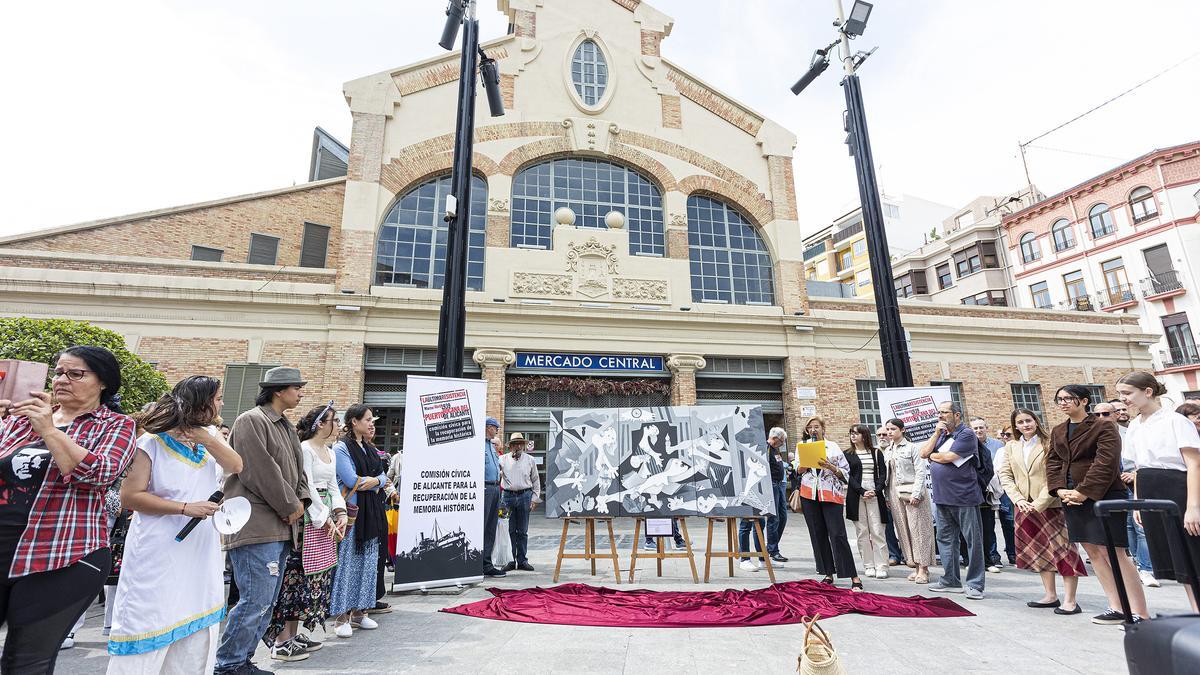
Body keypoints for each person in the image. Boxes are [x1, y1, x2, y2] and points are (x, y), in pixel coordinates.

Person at [0, 346, 136, 672]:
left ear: (103, 382)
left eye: (76, 374)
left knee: (25, 664)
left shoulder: (116, 426)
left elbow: (97, 475)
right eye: (59, 372)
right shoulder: (19, 420)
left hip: (65, 555)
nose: (63, 380)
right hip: (5, 547)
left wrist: (49, 430)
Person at [107, 376, 244, 672]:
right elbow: (130, 496)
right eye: (218, 398)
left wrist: (208, 438)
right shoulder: (150, 442)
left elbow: (235, 466)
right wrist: (184, 508)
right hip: (158, 549)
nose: (222, 403)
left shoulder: (208, 437)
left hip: (199, 548)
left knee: (195, 625)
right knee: (151, 619)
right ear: (201, 402)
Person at [215, 366, 311, 674]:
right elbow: (259, 470)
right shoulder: (251, 421)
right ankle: (228, 664)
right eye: (296, 387)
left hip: (281, 524)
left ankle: (242, 661)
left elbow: (299, 473)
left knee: (265, 602)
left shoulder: (285, 425)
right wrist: (290, 504)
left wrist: (301, 502)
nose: (300, 392)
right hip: (257, 524)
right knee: (255, 600)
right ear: (279, 391)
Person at [1046, 384, 1148, 625]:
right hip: (1070, 496)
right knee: (1092, 550)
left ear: (1083, 401)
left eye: (1068, 398)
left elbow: (1106, 463)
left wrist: (1084, 492)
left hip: (1104, 495)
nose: (1063, 403)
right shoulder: (1059, 430)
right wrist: (1060, 489)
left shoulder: (1103, 426)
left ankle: (1139, 610)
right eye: (1059, 399)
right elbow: (1052, 462)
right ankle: (1116, 606)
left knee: (1113, 552)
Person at [262, 402, 347, 660]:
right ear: (320, 424)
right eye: (333, 420)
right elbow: (306, 487)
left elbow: (333, 486)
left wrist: (340, 512)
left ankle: (294, 634)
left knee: (309, 582)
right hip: (307, 518)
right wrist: (324, 518)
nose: (337, 425)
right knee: (294, 577)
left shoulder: (330, 451)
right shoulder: (305, 449)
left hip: (325, 518)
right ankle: (281, 640)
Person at [1119, 372, 1200, 613]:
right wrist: (1138, 502)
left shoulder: (1175, 421)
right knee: (1178, 562)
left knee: (1193, 555)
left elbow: (1194, 464)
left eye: (1127, 393)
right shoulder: (1135, 425)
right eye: (1120, 394)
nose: (1123, 399)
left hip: (1178, 488)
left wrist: (1193, 506)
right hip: (1149, 488)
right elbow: (1138, 469)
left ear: (1148, 391)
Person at [998, 408, 1086, 616]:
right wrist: (1019, 500)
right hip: (1023, 505)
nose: (1025, 425)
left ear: (1036, 421)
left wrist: (1038, 503)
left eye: (1028, 420)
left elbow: (1056, 476)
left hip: (1050, 505)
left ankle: (1070, 600)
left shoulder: (1049, 444)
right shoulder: (1011, 446)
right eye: (1020, 422)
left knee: (1063, 551)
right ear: (1015, 426)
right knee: (1039, 551)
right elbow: (1005, 474)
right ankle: (1050, 595)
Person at [330, 405, 389, 637]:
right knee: (347, 562)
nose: (371, 423)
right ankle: (341, 616)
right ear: (353, 422)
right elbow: (351, 478)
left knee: (368, 562)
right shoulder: (342, 447)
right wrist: (377, 481)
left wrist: (375, 481)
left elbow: (383, 477)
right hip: (352, 512)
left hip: (371, 512)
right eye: (366, 419)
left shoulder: (370, 448)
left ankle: (360, 611)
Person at [921, 402, 986, 600]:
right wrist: (935, 435)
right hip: (942, 497)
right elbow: (924, 454)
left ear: (956, 415)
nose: (940, 415)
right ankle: (950, 579)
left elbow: (949, 457)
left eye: (944, 412)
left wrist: (935, 456)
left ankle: (975, 584)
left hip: (964, 496)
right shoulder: (942, 435)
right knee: (946, 539)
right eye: (938, 412)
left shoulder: (966, 434)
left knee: (972, 541)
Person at [1095, 401, 1159, 587]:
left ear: (1116, 414)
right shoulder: (1093, 436)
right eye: (1097, 415)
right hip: (1111, 488)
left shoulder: (1130, 433)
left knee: (1141, 526)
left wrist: (1134, 473)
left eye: (1106, 414)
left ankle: (1146, 569)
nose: (1101, 418)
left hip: (1133, 484)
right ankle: (1136, 563)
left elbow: (1144, 457)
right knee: (1127, 527)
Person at [796, 417, 863, 590]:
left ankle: (853, 576)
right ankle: (827, 573)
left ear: (823, 429)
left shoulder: (832, 446)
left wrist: (832, 467)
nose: (813, 430)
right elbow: (797, 471)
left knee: (838, 534)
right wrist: (803, 465)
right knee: (817, 534)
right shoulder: (801, 447)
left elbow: (846, 473)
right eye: (810, 427)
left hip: (831, 495)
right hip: (809, 494)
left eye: (816, 427)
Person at [882, 418, 935, 584]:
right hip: (894, 493)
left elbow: (920, 472)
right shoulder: (887, 450)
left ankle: (924, 569)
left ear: (902, 430)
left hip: (913, 493)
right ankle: (915, 565)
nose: (889, 432)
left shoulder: (912, 448)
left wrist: (917, 493)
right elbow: (886, 476)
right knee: (904, 531)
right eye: (887, 430)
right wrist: (886, 496)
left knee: (919, 530)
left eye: (892, 429)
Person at [845, 424, 890, 579]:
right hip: (856, 495)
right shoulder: (847, 454)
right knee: (862, 531)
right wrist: (862, 491)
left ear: (864, 436)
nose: (853, 436)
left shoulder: (876, 452)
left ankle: (881, 565)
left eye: (856, 433)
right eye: (851, 433)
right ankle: (868, 565)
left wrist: (876, 490)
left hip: (875, 494)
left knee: (877, 530)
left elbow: (883, 474)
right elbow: (847, 477)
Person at [970, 417, 1014, 570]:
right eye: (975, 428)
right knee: (983, 525)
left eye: (981, 427)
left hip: (999, 488)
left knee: (1004, 522)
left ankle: (1004, 556)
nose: (978, 431)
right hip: (980, 490)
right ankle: (989, 557)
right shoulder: (968, 445)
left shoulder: (998, 445)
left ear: (986, 428)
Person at [499, 433, 541, 572]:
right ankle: (510, 560)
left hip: (525, 496)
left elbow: (535, 480)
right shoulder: (502, 459)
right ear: (510, 446)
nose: (517, 446)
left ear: (523, 445)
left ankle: (522, 561)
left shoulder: (530, 460)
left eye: (519, 443)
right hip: (508, 497)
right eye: (514, 444)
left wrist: (535, 499)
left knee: (522, 531)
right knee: (509, 530)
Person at [481, 418, 506, 578]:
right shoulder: (478, 445)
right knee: (482, 526)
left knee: (491, 527)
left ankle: (487, 563)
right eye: (495, 428)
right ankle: (477, 563)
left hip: (496, 487)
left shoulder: (492, 446)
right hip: (484, 487)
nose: (497, 430)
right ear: (488, 428)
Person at [877, 426, 905, 567]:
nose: (882, 437)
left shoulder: (895, 450)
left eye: (885, 434)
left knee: (904, 526)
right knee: (888, 527)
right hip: (883, 495)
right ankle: (894, 554)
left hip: (900, 492)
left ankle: (907, 554)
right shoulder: (876, 452)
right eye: (879, 434)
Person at [765, 427, 790, 564]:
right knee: (774, 518)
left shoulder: (775, 450)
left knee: (783, 516)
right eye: (782, 441)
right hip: (772, 484)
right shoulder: (766, 448)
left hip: (780, 484)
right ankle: (773, 550)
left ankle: (773, 546)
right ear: (775, 438)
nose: (782, 444)